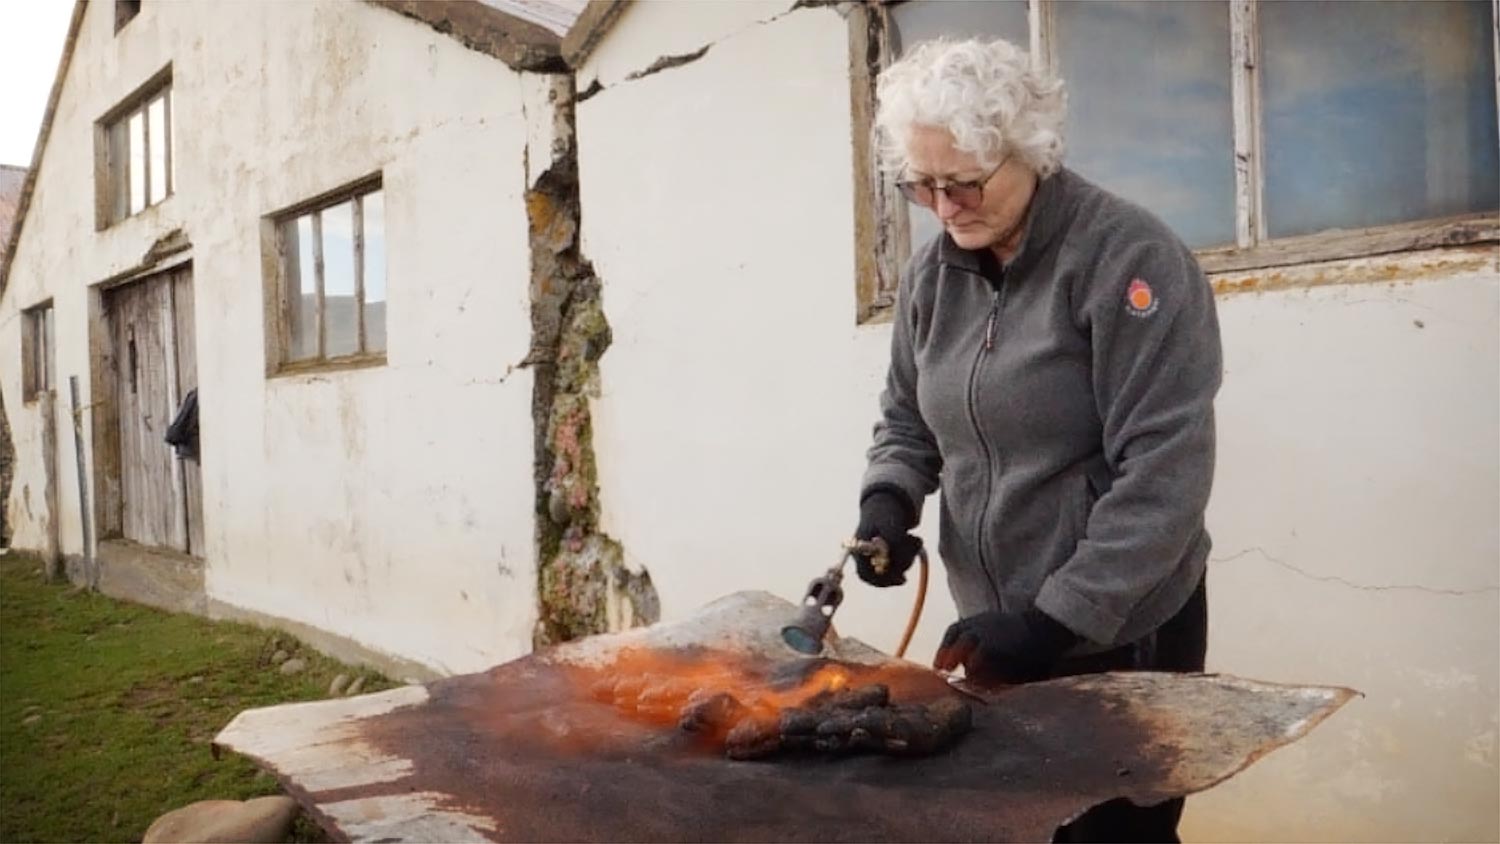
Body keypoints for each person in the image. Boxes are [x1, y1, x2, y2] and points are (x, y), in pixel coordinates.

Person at [851, 37, 1221, 843]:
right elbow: (908, 416)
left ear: (1032, 153)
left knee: (1111, 837)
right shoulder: (932, 274)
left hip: (1120, 628)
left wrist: (1055, 623)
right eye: (923, 186)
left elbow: (1164, 476)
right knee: (1018, 827)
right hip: (996, 623)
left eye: (966, 184)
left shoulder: (1128, 259)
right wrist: (887, 500)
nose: (945, 210)